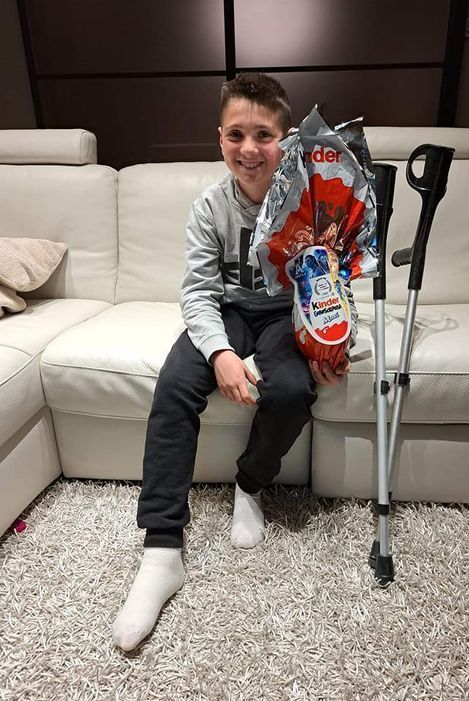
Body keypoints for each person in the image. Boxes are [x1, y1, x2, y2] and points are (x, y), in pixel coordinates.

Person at [112, 73, 355, 651]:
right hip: (226, 311)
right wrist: (221, 353)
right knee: (174, 384)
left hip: (286, 316)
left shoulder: (312, 199)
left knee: (292, 390)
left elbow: (334, 280)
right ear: (219, 138)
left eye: (263, 135)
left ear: (285, 139)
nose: (249, 149)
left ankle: (250, 485)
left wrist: (332, 340)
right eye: (236, 135)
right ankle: (161, 549)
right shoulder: (209, 207)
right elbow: (197, 292)